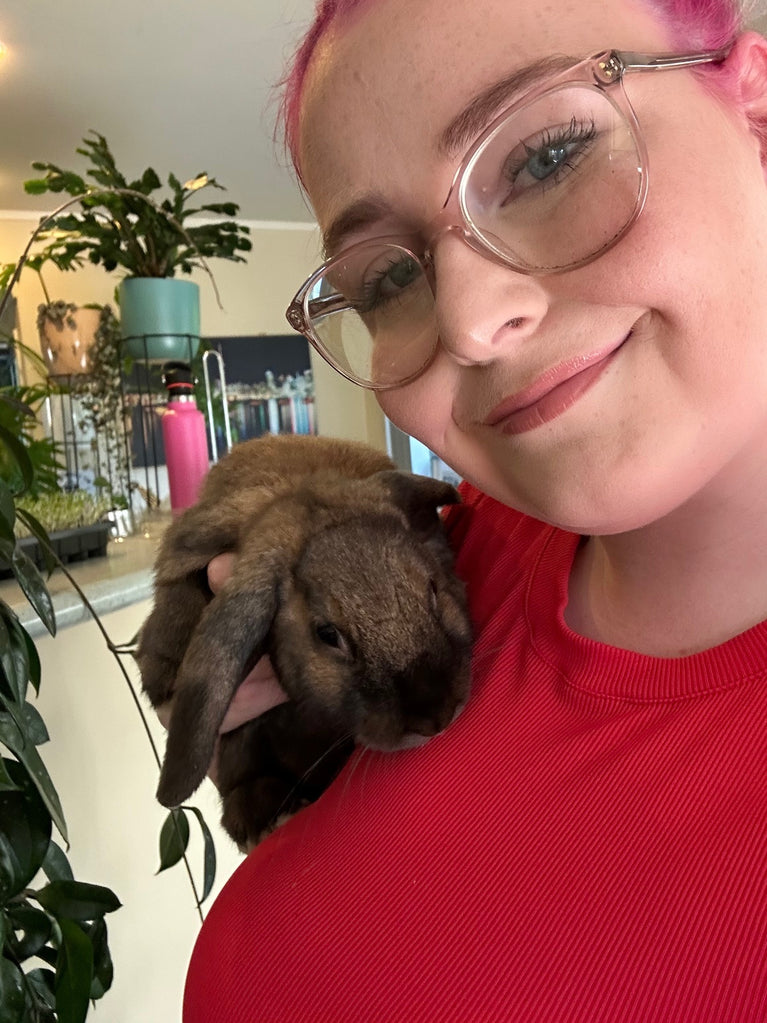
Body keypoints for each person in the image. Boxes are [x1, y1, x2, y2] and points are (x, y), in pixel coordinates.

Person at [182, 0, 767, 1018]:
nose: (467, 322)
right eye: (386, 279)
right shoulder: (434, 565)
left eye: (546, 158)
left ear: (753, 112)